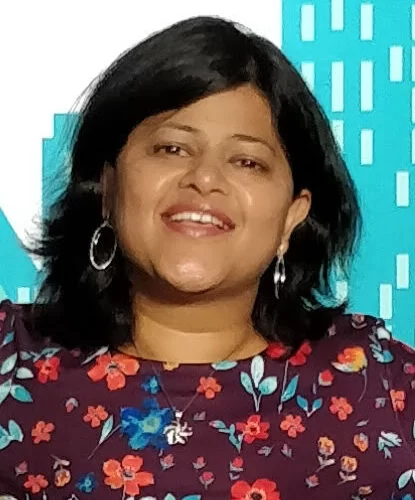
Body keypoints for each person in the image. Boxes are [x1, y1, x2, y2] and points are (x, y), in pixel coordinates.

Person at [0, 15, 414, 500]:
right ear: (108, 189)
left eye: (247, 161)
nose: (204, 179)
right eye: (172, 148)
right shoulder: (11, 361)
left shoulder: (378, 384)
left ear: (292, 216)